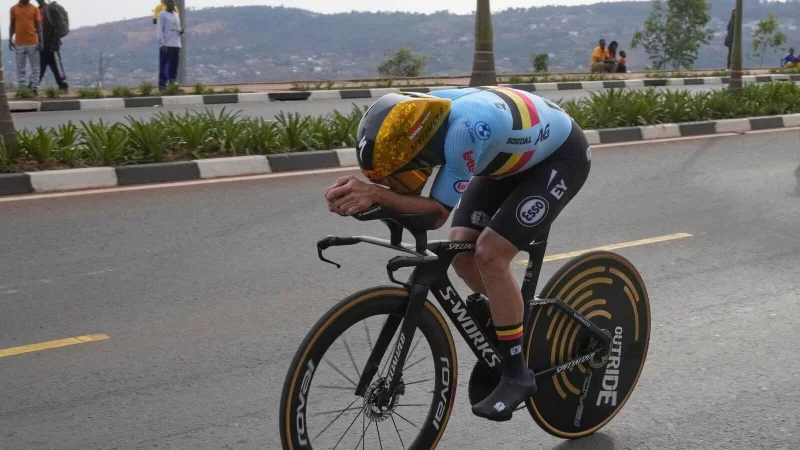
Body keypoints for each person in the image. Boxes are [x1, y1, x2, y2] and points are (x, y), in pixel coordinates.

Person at [324, 87, 592, 421]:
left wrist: (375, 194)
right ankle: (509, 317)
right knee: (461, 250)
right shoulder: (420, 116)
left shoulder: (463, 134)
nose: (396, 181)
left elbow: (436, 214)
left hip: (561, 158)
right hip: (507, 158)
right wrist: (368, 197)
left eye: (398, 172)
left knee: (490, 255)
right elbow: (411, 202)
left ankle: (517, 374)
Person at [9, 0, 42, 94]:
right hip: (19, 43)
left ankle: (34, 88)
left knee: (35, 67)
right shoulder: (14, 9)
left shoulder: (34, 9)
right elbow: (12, 25)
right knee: (20, 68)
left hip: (33, 42)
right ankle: (22, 89)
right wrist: (10, 40)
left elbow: (38, 25)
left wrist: (41, 41)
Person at [36, 0, 68, 91]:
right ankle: (34, 85)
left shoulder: (52, 9)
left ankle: (63, 85)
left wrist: (54, 44)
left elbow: (58, 27)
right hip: (42, 44)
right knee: (41, 66)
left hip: (52, 44)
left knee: (56, 65)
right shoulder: (37, 10)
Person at [156, 0, 184, 90]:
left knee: (174, 66)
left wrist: (180, 31)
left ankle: (172, 84)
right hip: (166, 45)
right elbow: (159, 29)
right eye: (169, 3)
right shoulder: (162, 14)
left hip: (176, 44)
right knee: (164, 66)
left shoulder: (176, 15)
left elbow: (175, 27)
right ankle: (162, 85)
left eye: (172, 3)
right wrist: (162, 43)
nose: (171, 4)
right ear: (166, 4)